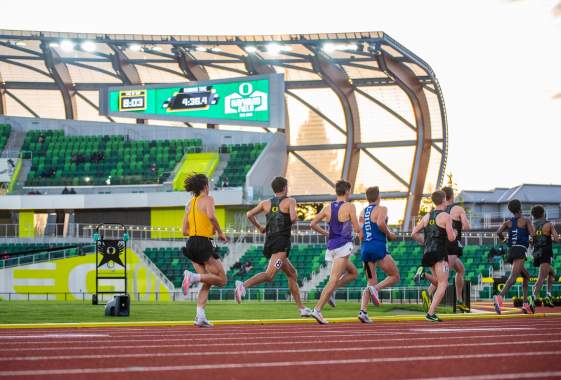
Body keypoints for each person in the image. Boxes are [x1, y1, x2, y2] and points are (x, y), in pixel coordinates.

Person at [236, 176, 312, 318]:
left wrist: (260, 227)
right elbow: (294, 218)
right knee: (270, 275)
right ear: (284, 188)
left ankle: (301, 308)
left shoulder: (266, 203)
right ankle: (242, 285)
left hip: (270, 242)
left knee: (292, 273)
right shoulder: (290, 201)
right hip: (281, 243)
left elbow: (249, 214)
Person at [308, 180, 359, 324]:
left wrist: (326, 233)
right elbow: (356, 227)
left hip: (332, 246)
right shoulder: (350, 206)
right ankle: (317, 309)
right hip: (343, 246)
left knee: (353, 273)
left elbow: (312, 224)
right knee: (333, 279)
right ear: (347, 191)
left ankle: (331, 291)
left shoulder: (327, 208)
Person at [180, 173, 228, 327]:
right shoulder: (208, 199)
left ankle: (200, 316)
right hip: (203, 243)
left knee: (207, 280)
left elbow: (184, 231)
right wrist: (219, 232)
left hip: (191, 244)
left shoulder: (189, 203)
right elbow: (212, 216)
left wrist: (200, 230)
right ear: (205, 186)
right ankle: (192, 277)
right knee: (222, 280)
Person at [415, 187, 471, 312]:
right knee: (442, 280)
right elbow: (466, 226)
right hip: (450, 245)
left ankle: (459, 299)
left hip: (437, 245)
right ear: (449, 197)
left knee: (460, 270)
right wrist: (459, 228)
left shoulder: (433, 213)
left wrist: (426, 241)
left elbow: (417, 232)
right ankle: (429, 293)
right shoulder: (457, 209)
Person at [355, 186, 400, 323]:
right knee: (394, 276)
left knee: (370, 281)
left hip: (365, 250)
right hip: (378, 247)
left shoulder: (362, 212)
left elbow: (360, 235)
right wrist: (390, 234)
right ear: (378, 196)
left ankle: (363, 311)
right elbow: (380, 223)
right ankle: (376, 289)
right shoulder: (382, 209)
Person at [411, 190, 456, 322]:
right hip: (440, 253)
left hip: (428, 253)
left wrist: (425, 242)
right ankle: (431, 313)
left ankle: (423, 274)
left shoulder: (427, 216)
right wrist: (454, 231)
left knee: (437, 282)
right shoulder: (446, 216)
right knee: (443, 284)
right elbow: (451, 238)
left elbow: (413, 233)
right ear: (444, 200)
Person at [494, 199, 535, 314]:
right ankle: (499, 297)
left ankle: (525, 303)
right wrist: (531, 241)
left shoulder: (508, 222)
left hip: (511, 250)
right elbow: (533, 234)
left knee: (526, 276)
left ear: (510, 210)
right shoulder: (526, 220)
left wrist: (503, 239)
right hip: (520, 249)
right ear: (520, 208)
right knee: (513, 278)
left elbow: (498, 232)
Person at [530, 205, 559, 308]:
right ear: (543, 214)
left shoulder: (531, 225)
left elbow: (531, 240)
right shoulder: (549, 224)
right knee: (541, 278)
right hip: (545, 253)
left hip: (536, 253)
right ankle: (532, 297)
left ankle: (548, 295)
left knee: (552, 273)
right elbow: (556, 239)